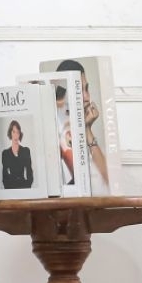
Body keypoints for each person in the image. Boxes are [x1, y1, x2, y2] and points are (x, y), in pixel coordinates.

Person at [55, 59, 109, 194]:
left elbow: (108, 179)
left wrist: (87, 129)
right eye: (79, 90)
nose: (86, 97)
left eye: (87, 89)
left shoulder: (80, 129)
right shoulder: (57, 130)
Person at [1, 120, 33, 189]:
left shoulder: (26, 151)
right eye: (13, 132)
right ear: (10, 133)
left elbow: (29, 173)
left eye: (18, 132)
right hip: (11, 188)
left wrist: (27, 187)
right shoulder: (5, 153)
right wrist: (9, 189)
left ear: (20, 134)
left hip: (24, 187)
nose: (16, 135)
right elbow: (4, 176)